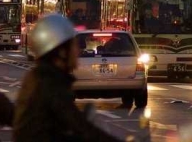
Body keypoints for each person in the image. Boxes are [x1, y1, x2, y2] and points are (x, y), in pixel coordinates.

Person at [13, 14, 122, 142]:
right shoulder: (49, 84)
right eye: (74, 46)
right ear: (62, 52)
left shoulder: (40, 77)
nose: (78, 51)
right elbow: (78, 124)